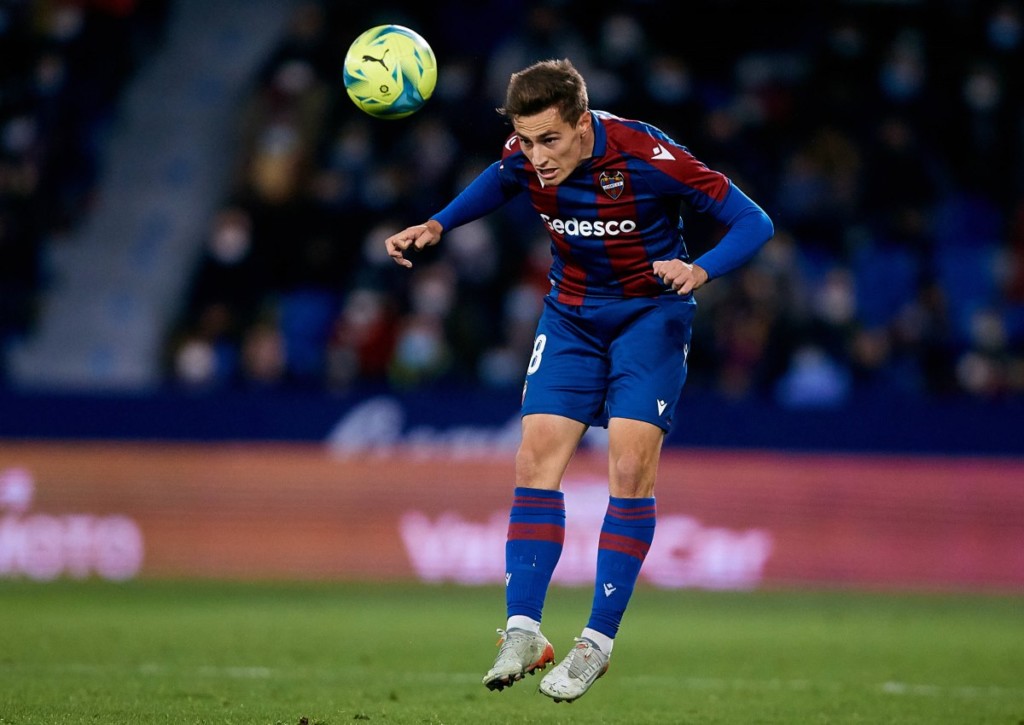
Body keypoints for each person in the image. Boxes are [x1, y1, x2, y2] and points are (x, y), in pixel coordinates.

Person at [384, 58, 773, 703]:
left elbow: (753, 221)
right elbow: (499, 177)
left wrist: (700, 270)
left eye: (549, 140)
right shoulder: (524, 152)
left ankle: (596, 642)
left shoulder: (648, 155)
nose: (535, 156)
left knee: (628, 470)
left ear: (583, 123)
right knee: (534, 458)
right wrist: (438, 224)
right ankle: (523, 630)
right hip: (570, 317)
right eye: (526, 139)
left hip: (649, 318)